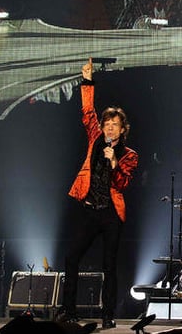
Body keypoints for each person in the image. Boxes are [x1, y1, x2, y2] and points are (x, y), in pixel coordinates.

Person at [57, 57, 139, 329]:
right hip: (89, 208)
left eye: (115, 124)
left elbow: (123, 184)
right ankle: (69, 311)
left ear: (122, 129)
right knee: (72, 258)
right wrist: (87, 80)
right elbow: (87, 110)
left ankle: (107, 315)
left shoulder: (129, 155)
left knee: (109, 265)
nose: (109, 127)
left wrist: (114, 161)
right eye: (107, 124)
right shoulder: (94, 138)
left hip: (111, 214)